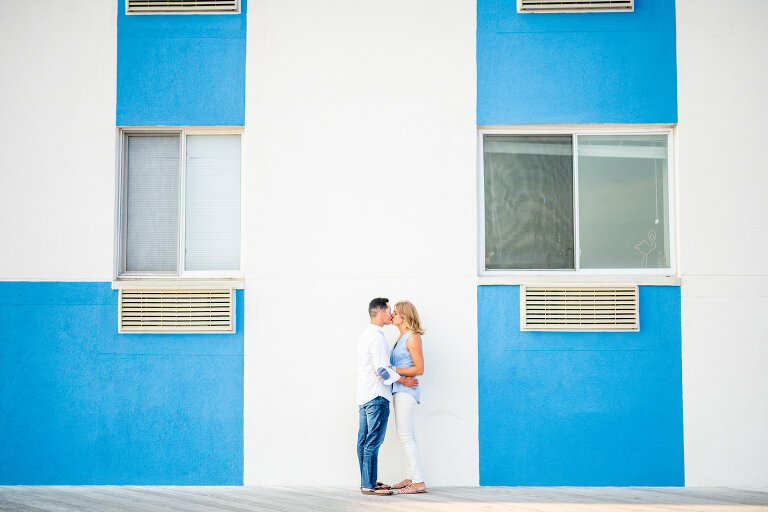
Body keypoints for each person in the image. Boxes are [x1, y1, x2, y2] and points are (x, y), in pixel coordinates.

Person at [356, 297, 419, 496]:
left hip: (364, 395)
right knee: (372, 441)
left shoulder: (366, 334)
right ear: (381, 312)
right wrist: (403, 380)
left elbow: (380, 369)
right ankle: (368, 485)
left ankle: (369, 482)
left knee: (364, 441)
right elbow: (382, 371)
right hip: (376, 396)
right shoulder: (377, 337)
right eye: (389, 310)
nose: (391, 314)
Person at [388, 300, 427, 494]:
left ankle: (418, 482)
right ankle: (412, 476)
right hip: (400, 389)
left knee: (405, 435)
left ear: (403, 316)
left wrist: (395, 371)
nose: (391, 315)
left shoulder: (412, 337)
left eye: (394, 312)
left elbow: (419, 368)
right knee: (407, 435)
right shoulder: (400, 337)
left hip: (407, 391)